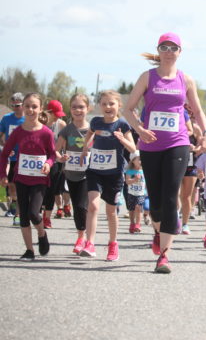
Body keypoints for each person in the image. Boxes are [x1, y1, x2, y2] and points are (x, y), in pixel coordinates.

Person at [124, 32, 206, 273]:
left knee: (171, 197)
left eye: (174, 48)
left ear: (180, 52)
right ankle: (158, 231)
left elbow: (198, 112)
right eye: (165, 47)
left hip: (178, 143)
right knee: (156, 201)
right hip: (150, 145)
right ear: (158, 51)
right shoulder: (147, 77)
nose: (169, 52)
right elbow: (128, 109)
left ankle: (164, 256)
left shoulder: (186, 80)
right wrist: (140, 130)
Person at [79, 90, 136, 262]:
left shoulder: (122, 124)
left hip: (114, 174)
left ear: (119, 105)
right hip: (95, 170)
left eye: (111, 103)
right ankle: (90, 243)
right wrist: (85, 148)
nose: (108, 107)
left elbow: (133, 148)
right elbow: (90, 133)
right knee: (93, 205)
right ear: (99, 106)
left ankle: (113, 244)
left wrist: (122, 139)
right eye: (104, 104)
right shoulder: (96, 122)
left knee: (111, 211)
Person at [0, 93, 54, 260]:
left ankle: (42, 233)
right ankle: (29, 250)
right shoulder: (18, 131)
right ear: (23, 107)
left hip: (39, 179)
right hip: (21, 178)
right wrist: (3, 174)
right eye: (27, 106)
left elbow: (53, 154)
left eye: (34, 106)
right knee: (23, 215)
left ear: (41, 109)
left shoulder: (46, 132)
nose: (30, 109)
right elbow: (4, 153)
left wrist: (48, 164)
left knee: (33, 213)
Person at [54, 94, 91, 253]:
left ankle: (84, 238)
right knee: (77, 206)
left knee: (83, 206)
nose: (77, 110)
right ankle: (82, 235)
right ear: (70, 109)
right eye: (74, 107)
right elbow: (55, 150)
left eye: (81, 107)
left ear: (88, 108)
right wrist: (60, 158)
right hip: (71, 174)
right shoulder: (67, 130)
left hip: (88, 174)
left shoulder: (93, 129)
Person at [41, 100, 67, 228]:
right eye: (55, 114)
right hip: (40, 160)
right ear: (48, 112)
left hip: (56, 161)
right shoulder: (40, 123)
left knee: (51, 190)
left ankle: (47, 218)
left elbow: (65, 144)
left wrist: (65, 158)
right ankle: (37, 213)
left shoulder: (61, 124)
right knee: (40, 189)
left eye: (59, 114)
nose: (57, 117)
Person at [0, 92, 25, 225]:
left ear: (23, 105)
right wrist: (5, 148)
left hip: (26, 158)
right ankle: (14, 207)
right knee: (11, 185)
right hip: (12, 158)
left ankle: (22, 211)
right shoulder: (6, 119)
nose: (15, 108)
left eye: (18, 105)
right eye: (13, 105)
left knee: (23, 186)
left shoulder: (28, 119)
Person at [180, 104, 203, 235]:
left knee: (187, 196)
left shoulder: (195, 128)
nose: (187, 116)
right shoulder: (176, 126)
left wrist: (194, 148)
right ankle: (175, 219)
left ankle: (185, 224)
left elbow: (201, 147)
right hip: (176, 162)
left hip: (190, 164)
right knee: (175, 194)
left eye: (189, 114)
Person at [125, 151, 146, 234]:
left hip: (141, 193)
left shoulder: (144, 170)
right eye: (139, 159)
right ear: (133, 160)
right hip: (131, 193)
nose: (141, 161)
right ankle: (132, 223)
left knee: (138, 208)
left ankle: (138, 224)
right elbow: (127, 181)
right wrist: (135, 179)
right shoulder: (130, 171)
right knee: (131, 209)